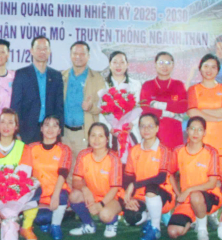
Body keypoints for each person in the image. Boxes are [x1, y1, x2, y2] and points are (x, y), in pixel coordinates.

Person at [167, 117, 222, 240]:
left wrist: (188, 191)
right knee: (173, 232)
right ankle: (195, 218)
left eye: (199, 130)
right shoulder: (178, 151)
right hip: (187, 199)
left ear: (205, 133)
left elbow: (212, 183)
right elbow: (170, 174)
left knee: (195, 196)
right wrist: (178, 194)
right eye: (192, 128)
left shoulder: (211, 152)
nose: (195, 133)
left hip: (209, 196)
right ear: (187, 130)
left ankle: (202, 229)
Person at [122, 113, 175, 240]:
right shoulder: (134, 150)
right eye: (142, 126)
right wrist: (130, 198)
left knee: (151, 189)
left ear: (157, 128)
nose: (146, 129)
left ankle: (155, 228)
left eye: (150, 126)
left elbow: (160, 178)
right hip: (141, 195)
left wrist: (134, 185)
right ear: (139, 129)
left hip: (162, 193)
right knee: (131, 217)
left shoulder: (164, 150)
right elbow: (127, 178)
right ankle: (152, 217)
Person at [19, 115, 72, 240]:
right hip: (37, 194)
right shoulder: (31, 148)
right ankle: (44, 220)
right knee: (42, 218)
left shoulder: (64, 149)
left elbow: (63, 173)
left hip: (56, 194)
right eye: (47, 125)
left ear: (59, 131)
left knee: (62, 195)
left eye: (55, 126)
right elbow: (24, 173)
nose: (50, 129)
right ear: (41, 128)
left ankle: (55, 226)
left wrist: (55, 196)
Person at [69, 123, 123, 237]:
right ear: (88, 137)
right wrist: (85, 189)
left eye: (101, 136)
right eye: (93, 135)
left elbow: (115, 189)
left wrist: (101, 204)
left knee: (105, 215)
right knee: (74, 195)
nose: (96, 139)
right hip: (92, 195)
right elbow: (75, 180)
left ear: (107, 139)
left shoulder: (113, 158)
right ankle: (88, 225)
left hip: (113, 197)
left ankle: (112, 222)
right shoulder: (83, 154)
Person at [61, 41, 106, 174]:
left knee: (84, 170)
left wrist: (91, 107)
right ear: (70, 55)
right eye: (75, 53)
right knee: (66, 169)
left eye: (82, 54)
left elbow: (103, 106)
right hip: (65, 133)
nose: (78, 57)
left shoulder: (97, 78)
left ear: (88, 56)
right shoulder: (62, 76)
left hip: (84, 132)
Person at [10, 36, 64, 144]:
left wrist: (59, 132)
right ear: (31, 51)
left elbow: (59, 106)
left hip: (49, 132)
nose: (42, 52)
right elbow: (15, 106)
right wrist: (16, 132)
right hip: (26, 132)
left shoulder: (56, 75)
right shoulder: (22, 74)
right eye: (38, 48)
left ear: (49, 52)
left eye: (45, 48)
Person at [186, 54, 222, 165]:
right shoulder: (193, 90)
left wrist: (201, 111)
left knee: (218, 172)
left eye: (213, 67)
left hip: (219, 139)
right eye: (206, 66)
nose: (209, 70)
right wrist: (218, 117)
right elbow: (192, 112)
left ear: (218, 70)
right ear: (200, 68)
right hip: (198, 139)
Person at [99, 50, 142, 160]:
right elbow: (100, 111)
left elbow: (139, 108)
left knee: (131, 162)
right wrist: (109, 128)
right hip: (110, 133)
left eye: (122, 62)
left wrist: (132, 123)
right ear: (110, 65)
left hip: (130, 131)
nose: (118, 65)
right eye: (115, 62)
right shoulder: (102, 85)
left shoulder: (136, 85)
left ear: (127, 65)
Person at [140, 51, 188, 149]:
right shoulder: (147, 85)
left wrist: (157, 105)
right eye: (161, 63)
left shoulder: (178, 85)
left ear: (173, 65)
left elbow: (183, 106)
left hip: (174, 132)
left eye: (168, 63)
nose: (164, 66)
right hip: (153, 133)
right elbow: (145, 108)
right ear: (155, 65)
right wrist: (170, 112)